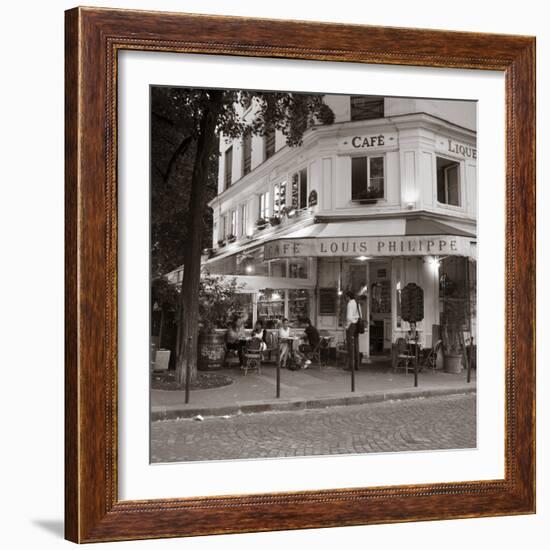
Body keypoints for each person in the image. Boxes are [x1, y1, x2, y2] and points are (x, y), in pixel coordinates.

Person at [345, 290, 361, 371]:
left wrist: (347, 326)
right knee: (356, 345)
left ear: (348, 296)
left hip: (351, 325)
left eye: (346, 297)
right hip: (357, 325)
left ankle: (351, 366)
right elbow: (360, 314)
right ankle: (357, 365)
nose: (346, 298)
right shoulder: (357, 303)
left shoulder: (350, 304)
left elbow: (349, 317)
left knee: (350, 346)